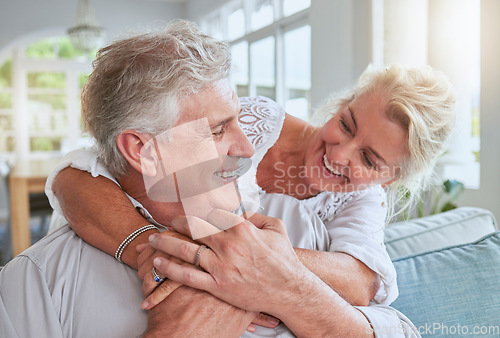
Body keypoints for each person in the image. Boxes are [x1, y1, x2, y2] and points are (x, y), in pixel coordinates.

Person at [0, 19, 454, 337]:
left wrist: (258, 269)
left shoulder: (321, 224)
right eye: (347, 124)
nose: (340, 152)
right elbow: (78, 174)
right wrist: (152, 248)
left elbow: (366, 287)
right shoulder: (257, 121)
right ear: (339, 105)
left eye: (370, 160)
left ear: (390, 180)